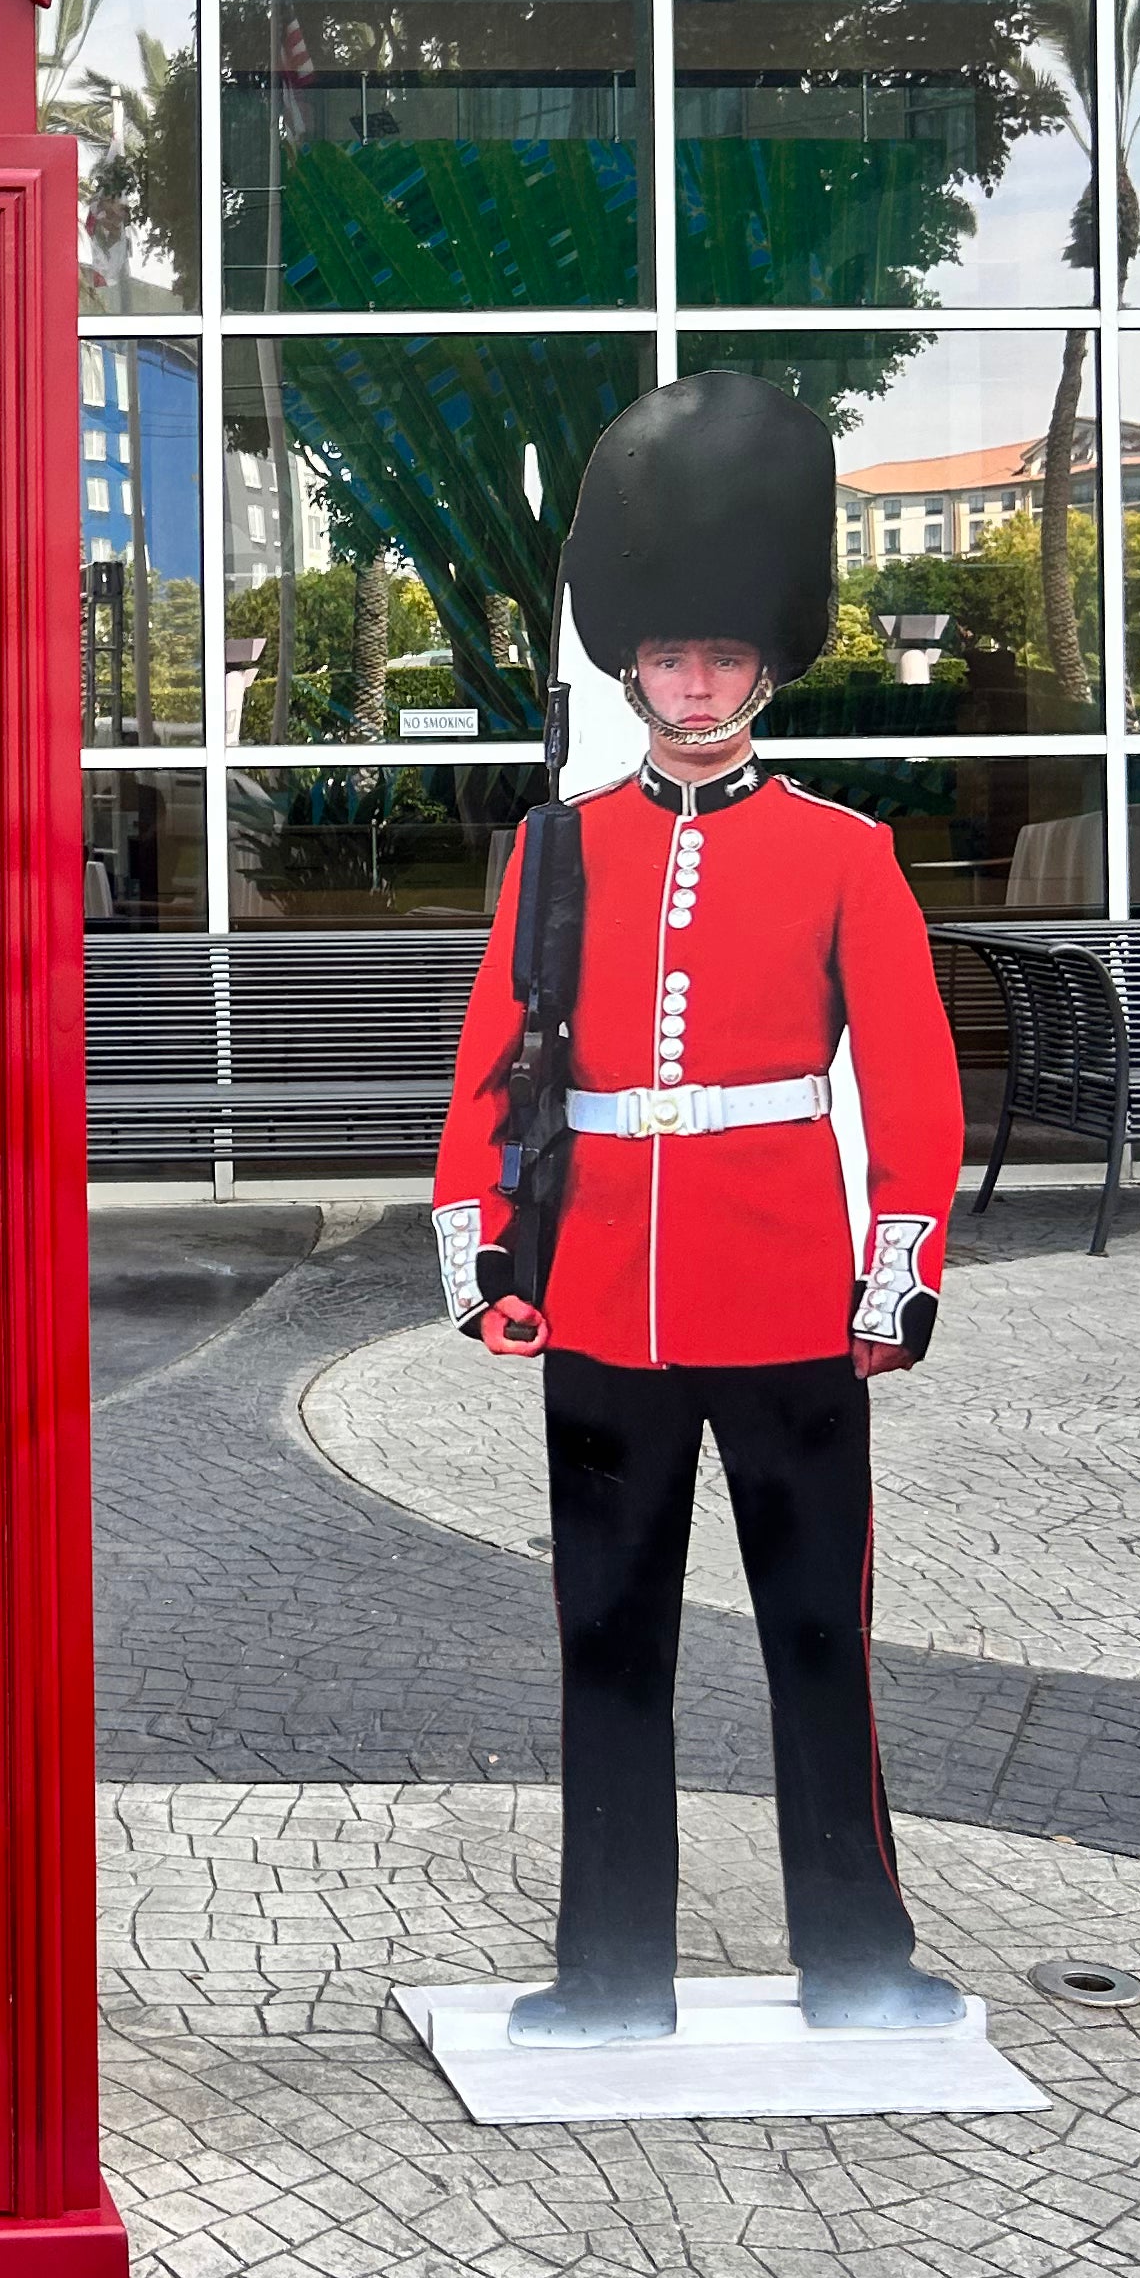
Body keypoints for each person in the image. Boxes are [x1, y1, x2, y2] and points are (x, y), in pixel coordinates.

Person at [432, 369, 967, 2046]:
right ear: (634, 664)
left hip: (792, 1296)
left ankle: (859, 1958)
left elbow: (913, 1090)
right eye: (670, 655)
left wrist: (895, 1274)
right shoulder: (560, 848)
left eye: (723, 657)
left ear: (764, 666)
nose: (694, 681)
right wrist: (485, 1256)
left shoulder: (843, 852)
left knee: (817, 1637)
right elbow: (495, 1066)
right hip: (603, 1296)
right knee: (607, 1640)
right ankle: (611, 1975)